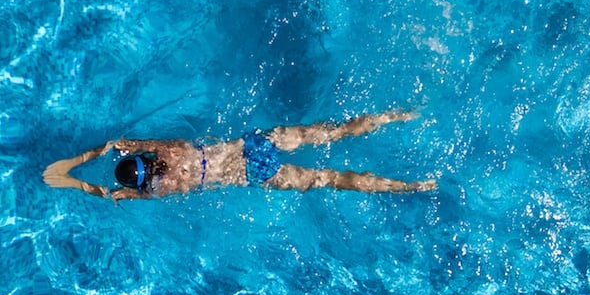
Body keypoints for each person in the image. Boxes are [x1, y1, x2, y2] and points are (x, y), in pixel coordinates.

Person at [42, 111, 436, 201]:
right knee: (333, 132)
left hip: (253, 174)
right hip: (252, 145)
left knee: (331, 179)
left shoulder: (156, 190)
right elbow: (115, 144)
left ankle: (411, 186)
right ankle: (395, 116)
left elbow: (109, 194)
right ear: (144, 157)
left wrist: (73, 179)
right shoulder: (165, 149)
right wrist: (81, 156)